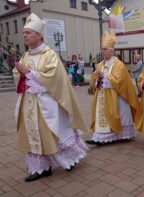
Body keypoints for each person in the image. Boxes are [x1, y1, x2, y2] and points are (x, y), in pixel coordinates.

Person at [13, 13, 89, 182]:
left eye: (28, 32)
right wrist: (20, 74)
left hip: (48, 104)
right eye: (24, 33)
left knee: (53, 133)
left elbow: (55, 77)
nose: (24, 35)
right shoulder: (25, 55)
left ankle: (70, 159)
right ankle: (42, 167)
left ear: (39, 35)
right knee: (35, 134)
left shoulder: (49, 55)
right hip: (30, 103)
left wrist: (31, 74)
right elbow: (18, 75)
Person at [86, 31, 138, 146]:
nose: (102, 51)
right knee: (102, 115)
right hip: (102, 95)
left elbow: (119, 80)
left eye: (105, 49)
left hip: (117, 96)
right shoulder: (100, 64)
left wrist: (104, 76)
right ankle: (100, 137)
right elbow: (94, 77)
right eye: (102, 49)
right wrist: (97, 79)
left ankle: (121, 135)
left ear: (111, 50)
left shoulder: (118, 64)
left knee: (118, 115)